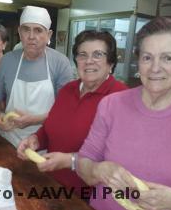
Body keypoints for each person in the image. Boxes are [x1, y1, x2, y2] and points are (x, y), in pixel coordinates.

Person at [77, 17, 171, 210]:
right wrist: (97, 170)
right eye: (147, 57)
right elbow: (83, 162)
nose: (155, 68)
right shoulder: (111, 105)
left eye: (168, 58)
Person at [17, 30, 128, 194]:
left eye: (98, 54)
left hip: (90, 195)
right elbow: (51, 127)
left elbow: (118, 156)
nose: (89, 61)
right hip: (51, 182)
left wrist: (70, 161)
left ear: (110, 63)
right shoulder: (68, 90)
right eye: (82, 55)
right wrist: (36, 139)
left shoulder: (121, 98)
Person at [0, 5, 73, 147]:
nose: (31, 36)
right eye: (26, 29)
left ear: (49, 35)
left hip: (45, 143)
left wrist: (34, 120)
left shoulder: (60, 63)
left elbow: (66, 110)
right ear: (19, 32)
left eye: (38, 30)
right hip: (10, 139)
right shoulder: (8, 60)